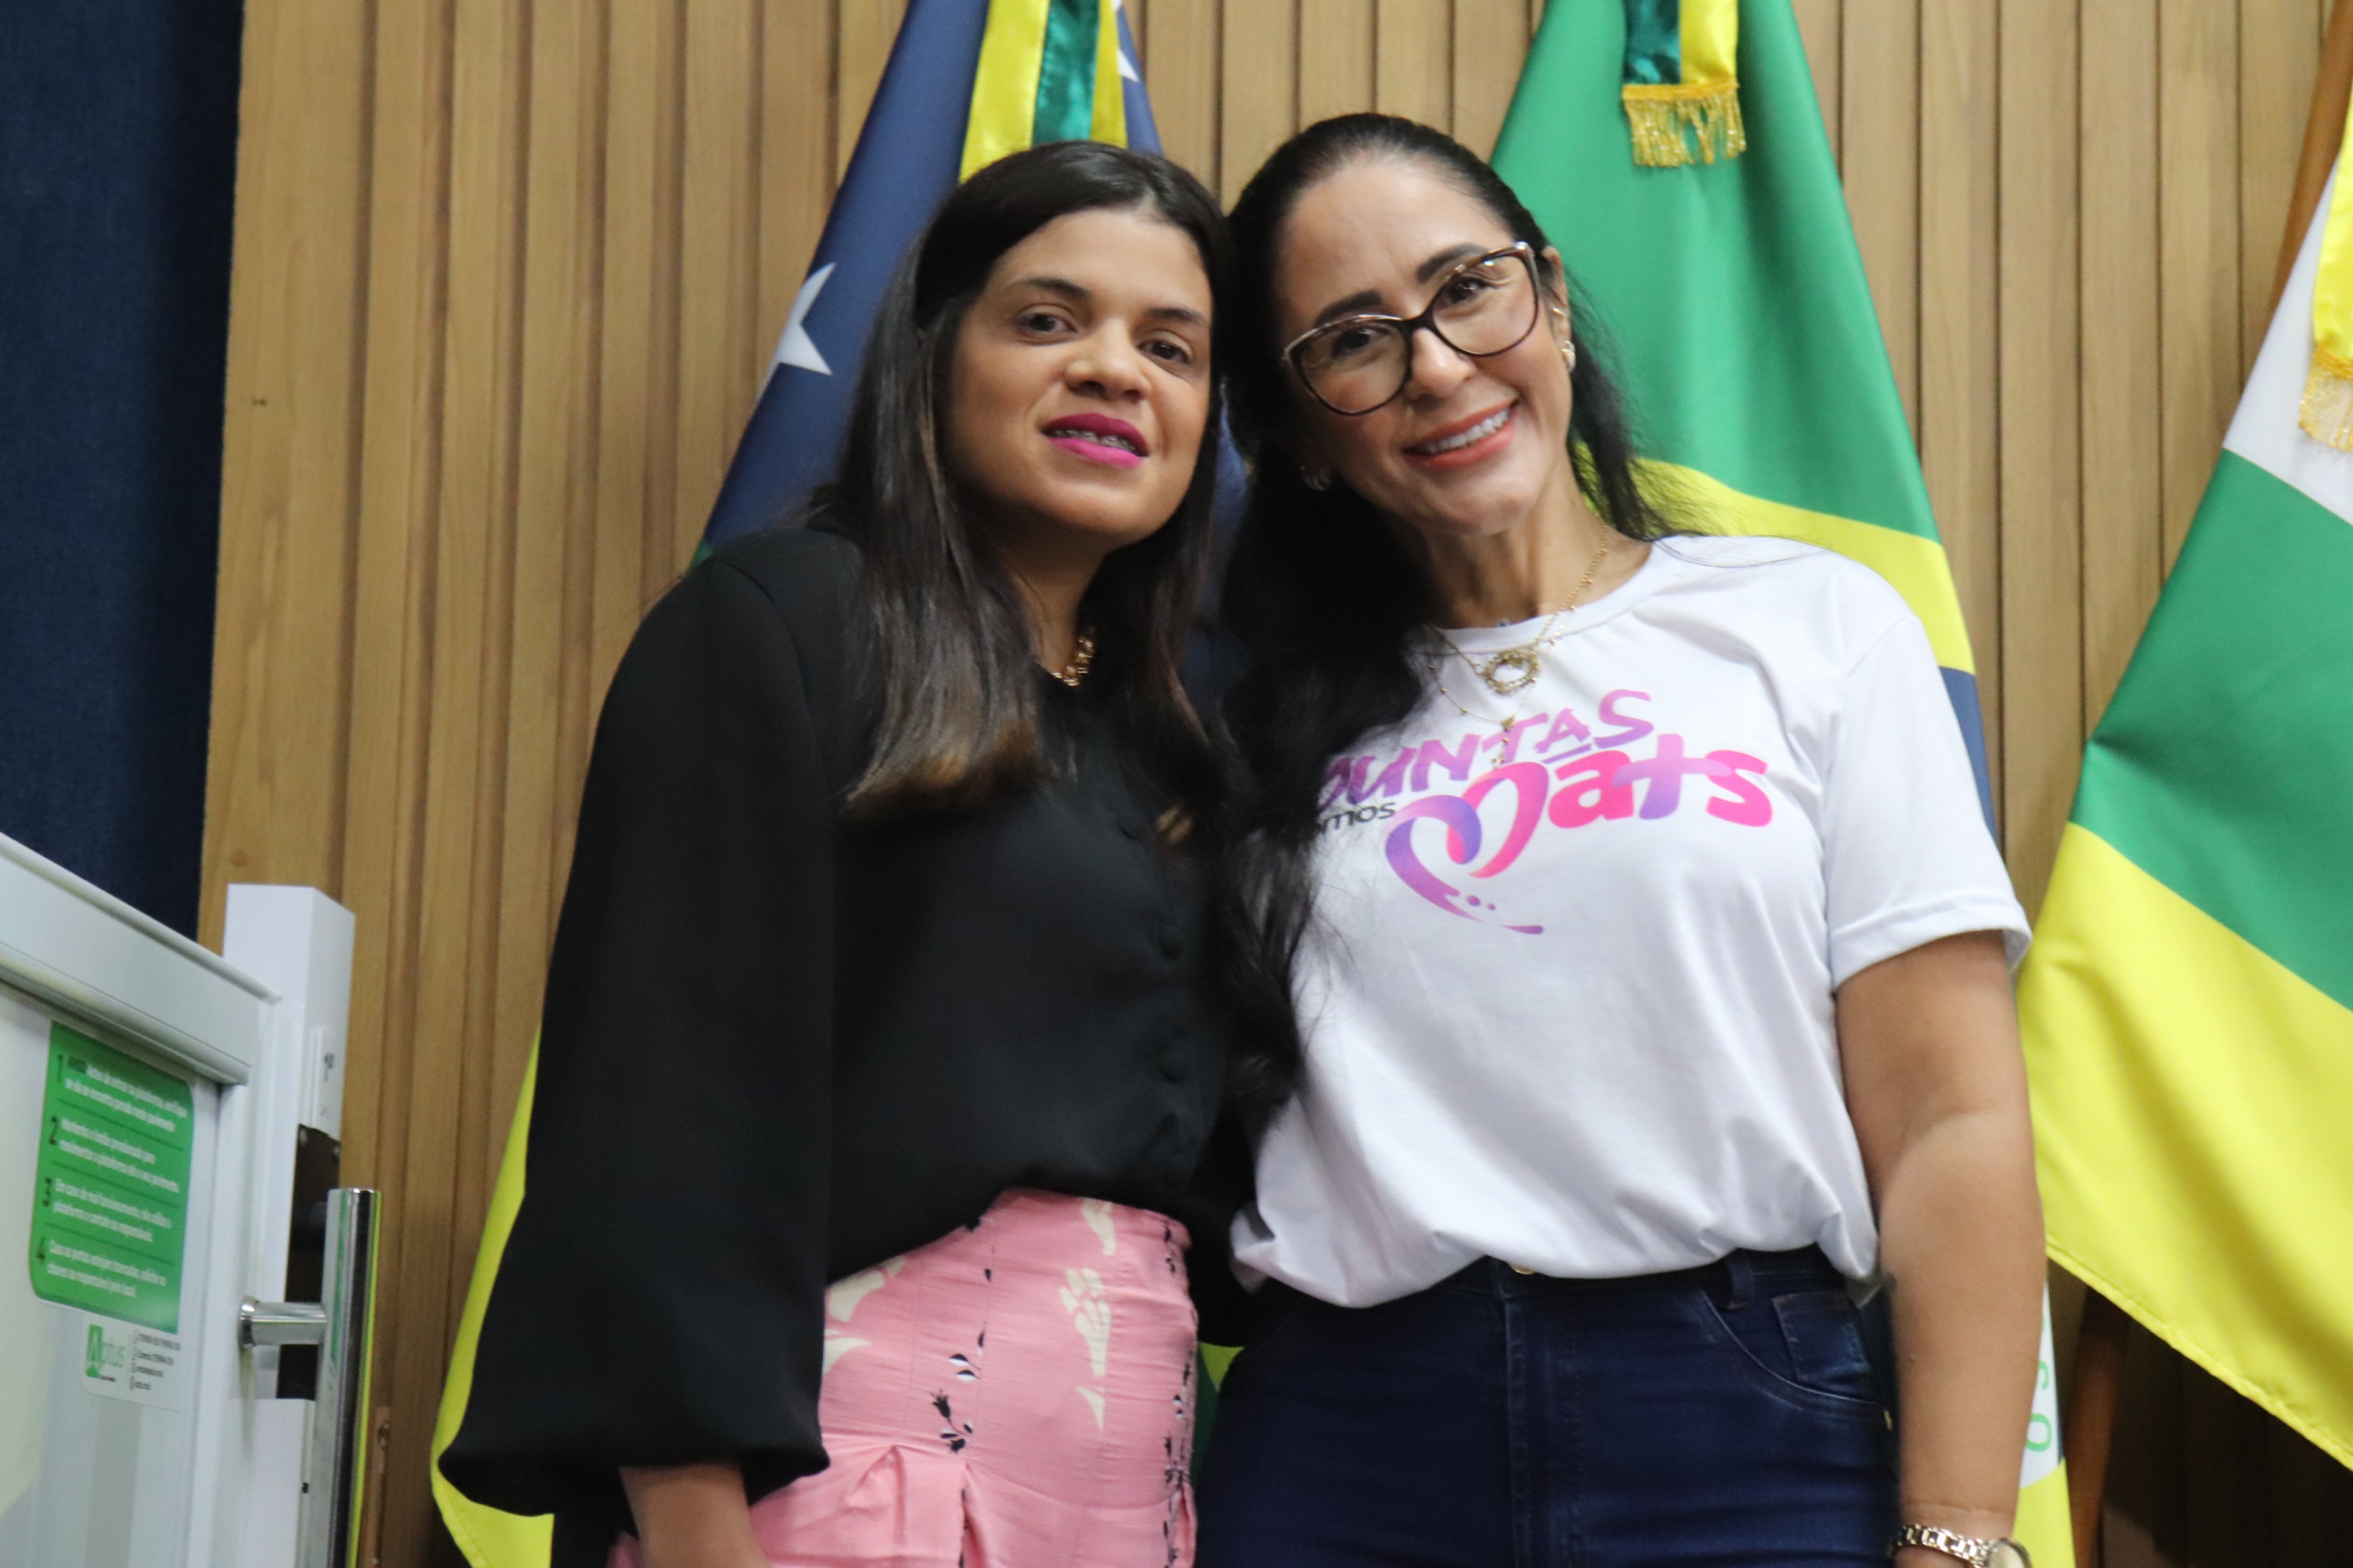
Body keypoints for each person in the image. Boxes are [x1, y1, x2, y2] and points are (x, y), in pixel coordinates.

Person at [1197, 114, 2045, 1568]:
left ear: (1553, 300)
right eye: (1354, 341)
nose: (1436, 366)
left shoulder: (1810, 626)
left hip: (1741, 1423)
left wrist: (1960, 1534)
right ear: (1298, 438)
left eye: (1467, 287)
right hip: (1348, 1442)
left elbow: (1948, 1122)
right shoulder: (1240, 723)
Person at [438, 140, 1243, 1568]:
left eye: (1169, 346)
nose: (1114, 371)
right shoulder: (785, 623)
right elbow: (660, 1112)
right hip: (833, 1484)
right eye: (1047, 320)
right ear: (934, 356)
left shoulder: (1181, 744)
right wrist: (694, 1532)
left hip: (1136, 1499)